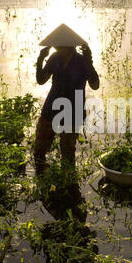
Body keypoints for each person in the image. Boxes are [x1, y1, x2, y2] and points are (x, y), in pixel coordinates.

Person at [33, 44, 100, 176]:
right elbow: (41, 80)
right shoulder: (54, 58)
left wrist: (89, 62)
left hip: (73, 110)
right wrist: (40, 59)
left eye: (59, 44)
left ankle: (68, 185)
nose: (56, 46)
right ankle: (44, 182)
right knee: (40, 149)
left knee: (68, 153)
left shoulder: (82, 61)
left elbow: (95, 85)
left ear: (69, 45)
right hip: (51, 108)